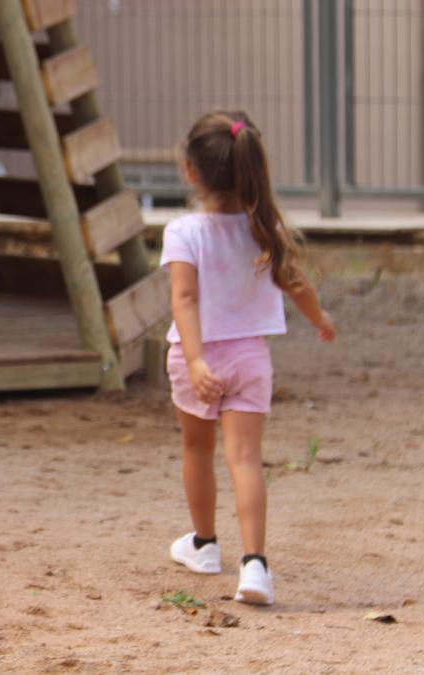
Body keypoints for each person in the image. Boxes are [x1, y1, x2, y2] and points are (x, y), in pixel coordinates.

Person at [162, 112, 337, 606]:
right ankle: (255, 565)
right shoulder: (265, 227)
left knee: (197, 451)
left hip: (199, 359)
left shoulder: (183, 231)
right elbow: (295, 282)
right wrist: (320, 318)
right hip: (251, 358)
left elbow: (186, 300)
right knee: (245, 459)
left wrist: (195, 362)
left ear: (191, 171)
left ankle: (203, 544)